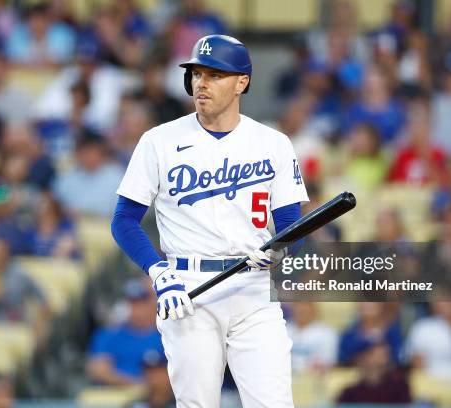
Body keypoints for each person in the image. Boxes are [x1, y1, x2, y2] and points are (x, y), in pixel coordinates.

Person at [111, 35, 308, 407]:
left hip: (253, 288)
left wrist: (277, 252)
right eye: (197, 73)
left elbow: (291, 229)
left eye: (215, 75)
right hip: (188, 291)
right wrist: (158, 272)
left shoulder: (273, 143)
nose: (202, 83)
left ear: (241, 82)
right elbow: (123, 220)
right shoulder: (159, 141)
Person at [86, 279, 164, 385]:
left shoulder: (165, 336)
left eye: (142, 303)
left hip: (158, 398)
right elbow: (99, 370)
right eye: (132, 304)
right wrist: (136, 385)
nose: (136, 310)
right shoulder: (108, 335)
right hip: (113, 397)